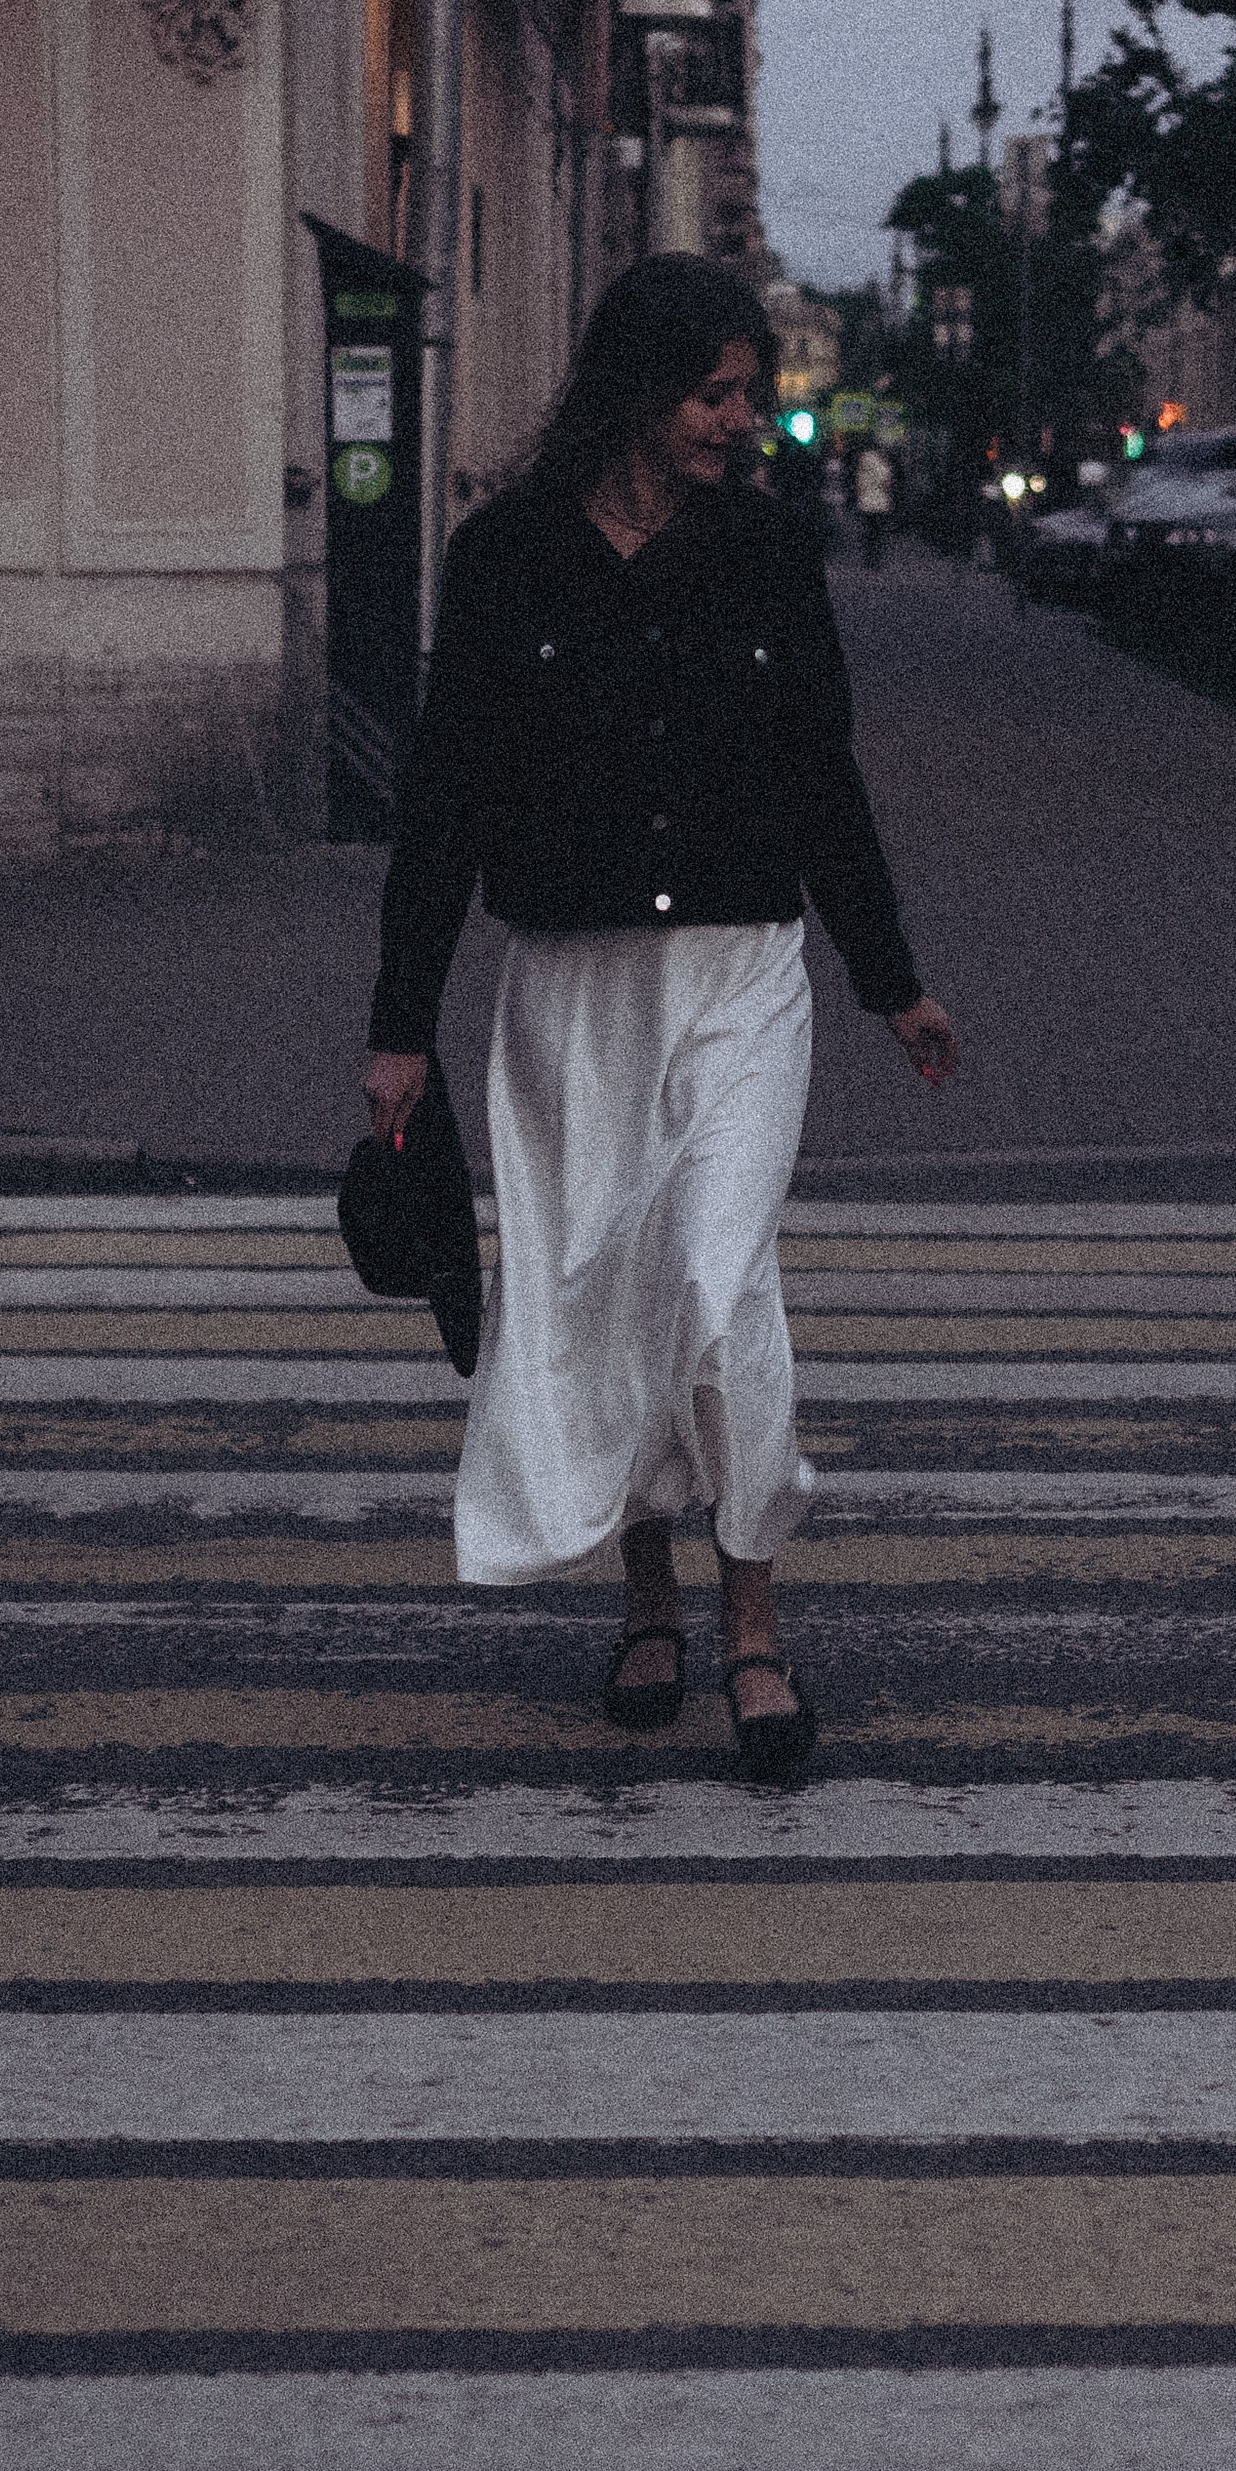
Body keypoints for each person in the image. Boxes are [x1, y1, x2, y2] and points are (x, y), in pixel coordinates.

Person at [360, 254, 958, 1782]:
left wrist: (891, 983)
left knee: (714, 1283)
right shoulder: (503, 560)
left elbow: (824, 775)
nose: (738, 421)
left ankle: (753, 1625)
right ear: (637, 386)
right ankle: (646, 1607)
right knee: (606, 1300)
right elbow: (443, 801)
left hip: (745, 977)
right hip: (571, 992)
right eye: (714, 393)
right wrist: (401, 1022)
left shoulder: (765, 550)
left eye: (749, 395)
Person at [853, 434, 895, 568]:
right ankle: (876, 560)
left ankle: (868, 559)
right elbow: (887, 481)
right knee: (877, 533)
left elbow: (859, 482)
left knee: (868, 531)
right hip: (879, 502)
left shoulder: (863, 460)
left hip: (865, 500)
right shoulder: (879, 462)